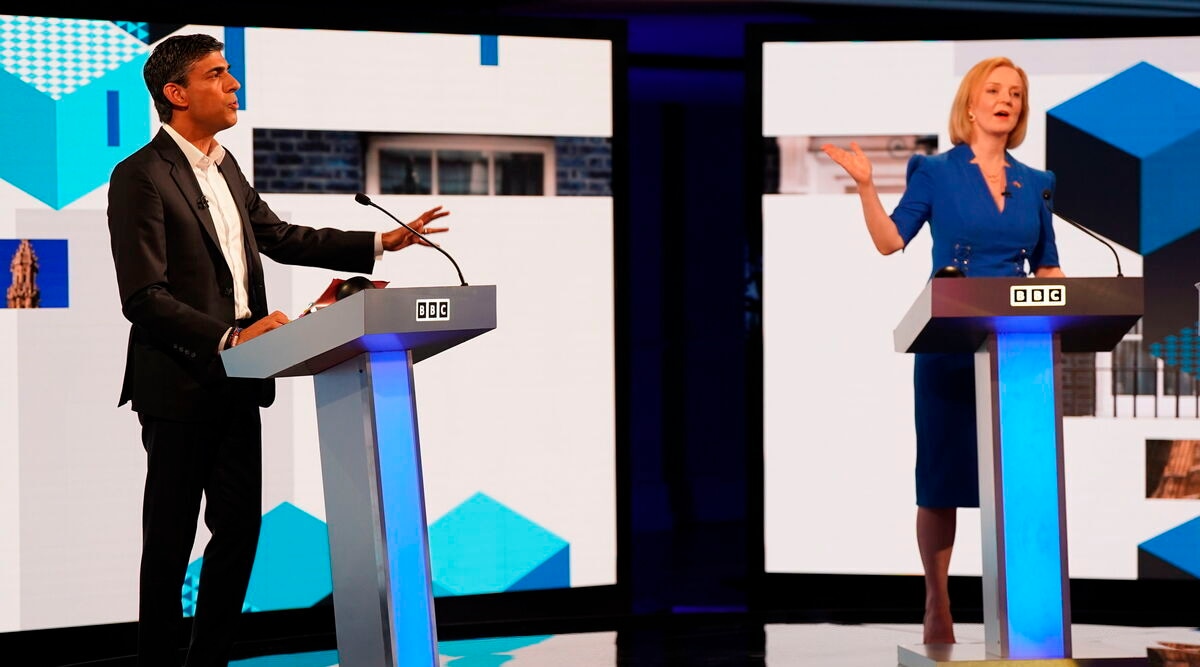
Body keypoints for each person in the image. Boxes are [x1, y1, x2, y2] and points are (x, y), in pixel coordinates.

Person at [106, 33, 449, 667]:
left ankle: (209, 660)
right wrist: (230, 335)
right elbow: (144, 296)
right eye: (217, 75)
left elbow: (281, 237)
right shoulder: (140, 176)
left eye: (229, 72)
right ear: (176, 95)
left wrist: (379, 243)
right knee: (172, 540)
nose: (233, 84)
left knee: (238, 531)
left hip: (244, 376)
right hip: (180, 381)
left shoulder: (226, 165)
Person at [821, 56, 1065, 645]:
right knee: (943, 478)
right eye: (994, 90)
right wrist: (864, 187)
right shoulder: (933, 171)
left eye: (1015, 93)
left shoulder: (1038, 183)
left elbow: (1051, 267)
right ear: (972, 102)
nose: (1006, 99)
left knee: (1019, 479)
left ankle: (1021, 608)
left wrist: (1053, 292)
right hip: (949, 347)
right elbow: (889, 242)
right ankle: (937, 598)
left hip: (1016, 353)